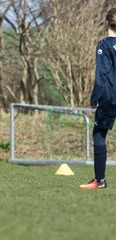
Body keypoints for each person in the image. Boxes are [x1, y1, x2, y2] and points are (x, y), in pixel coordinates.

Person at [79, 8, 116, 189]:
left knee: (99, 134)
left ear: (106, 23)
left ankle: (100, 180)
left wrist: (95, 97)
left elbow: (102, 75)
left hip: (110, 96)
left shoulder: (104, 45)